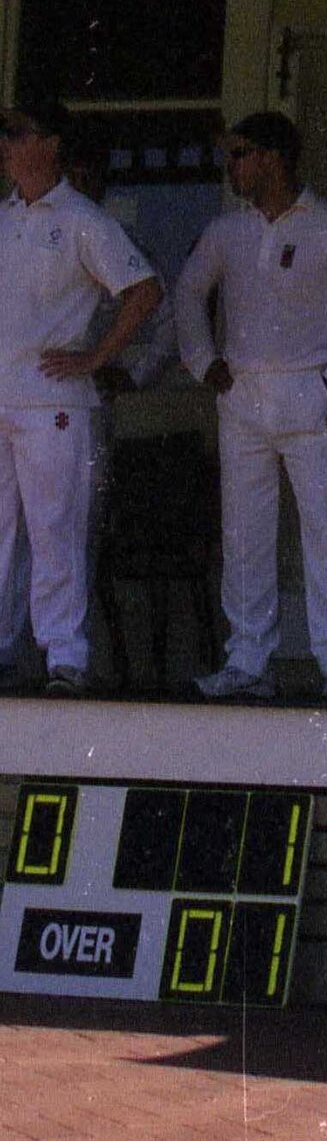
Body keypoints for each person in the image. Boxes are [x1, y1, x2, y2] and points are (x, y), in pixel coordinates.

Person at [173, 110, 327, 703]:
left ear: (272, 157)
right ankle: (247, 660)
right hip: (241, 391)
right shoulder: (227, 231)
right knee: (244, 532)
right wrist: (203, 361)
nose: (232, 166)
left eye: (240, 154)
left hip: (307, 390)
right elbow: (188, 292)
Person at [0, 100, 162, 696]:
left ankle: (64, 653)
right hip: (1, 399)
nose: (7, 144)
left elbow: (144, 290)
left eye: (17, 132)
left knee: (54, 529)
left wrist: (96, 358)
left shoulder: (83, 218)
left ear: (50, 142)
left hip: (54, 403)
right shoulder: (3, 218)